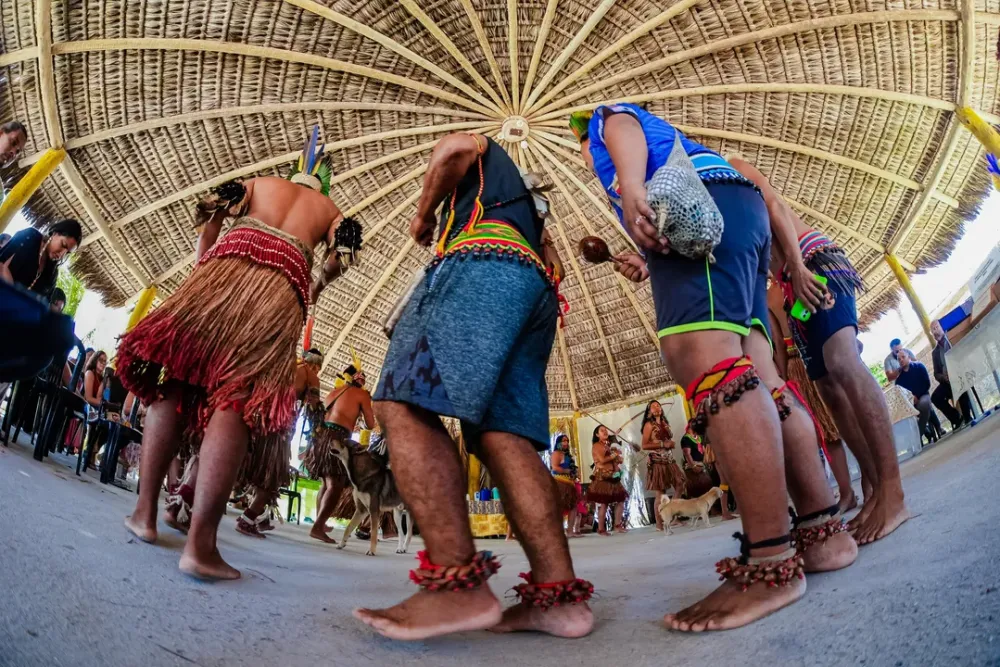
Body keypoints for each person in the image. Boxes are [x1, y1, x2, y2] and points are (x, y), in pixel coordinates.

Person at [573, 104, 856, 632]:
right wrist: (643, 253)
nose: (586, 152)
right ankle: (823, 535)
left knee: (703, 361)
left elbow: (619, 124)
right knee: (761, 372)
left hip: (709, 201)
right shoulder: (685, 159)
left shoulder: (607, 129)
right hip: (738, 218)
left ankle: (770, 562)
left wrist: (631, 182)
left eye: (583, 145)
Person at [358, 131, 592, 641]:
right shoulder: (532, 218)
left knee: (401, 402)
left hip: (483, 266)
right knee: (499, 436)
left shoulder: (488, 160)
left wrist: (424, 215)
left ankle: (455, 583)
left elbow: (453, 150)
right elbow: (555, 267)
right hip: (533, 292)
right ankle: (560, 599)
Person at [119, 128, 363, 580]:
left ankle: (145, 514)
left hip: (222, 269)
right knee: (235, 403)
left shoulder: (260, 183)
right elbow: (339, 257)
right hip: (279, 289)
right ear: (324, 183)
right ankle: (200, 546)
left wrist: (202, 264)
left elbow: (211, 212)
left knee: (177, 379)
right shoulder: (331, 211)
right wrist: (316, 285)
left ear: (295, 170)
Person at [727, 156, 908, 547]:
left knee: (843, 361)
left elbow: (772, 203)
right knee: (828, 389)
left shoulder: (727, 166)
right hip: (790, 285)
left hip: (810, 259)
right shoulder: (702, 209)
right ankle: (875, 490)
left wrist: (795, 262)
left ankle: (894, 492)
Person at [766, 282, 857, 514]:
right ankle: (851, 490)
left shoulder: (768, 297)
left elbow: (777, 342)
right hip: (823, 349)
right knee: (833, 426)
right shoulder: (799, 280)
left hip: (799, 361)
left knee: (824, 431)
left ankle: (846, 494)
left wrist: (784, 379)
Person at [235, 348, 325, 538]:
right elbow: (314, 409)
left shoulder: (287, 366)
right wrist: (317, 433)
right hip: (280, 429)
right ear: (316, 365)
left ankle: (260, 517)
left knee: (262, 471)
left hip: (260, 420)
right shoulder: (310, 375)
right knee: (273, 476)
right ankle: (248, 518)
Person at [304, 358, 376, 544]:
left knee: (326, 483)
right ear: (360, 381)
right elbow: (370, 423)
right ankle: (318, 526)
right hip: (337, 438)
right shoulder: (361, 394)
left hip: (320, 437)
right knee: (335, 484)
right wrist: (363, 408)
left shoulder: (335, 391)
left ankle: (320, 523)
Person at [0, 219, 82, 299]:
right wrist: (17, 301)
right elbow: (2, 266)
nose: (61, 254)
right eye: (63, 244)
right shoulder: (30, 236)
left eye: (67, 253)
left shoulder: (52, 274)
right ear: (55, 233)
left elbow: (43, 303)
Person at [641, 400, 686, 530]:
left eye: (658, 405)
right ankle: (659, 524)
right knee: (660, 493)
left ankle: (672, 516)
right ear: (649, 411)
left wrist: (670, 443)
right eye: (653, 406)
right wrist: (663, 444)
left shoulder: (665, 423)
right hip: (657, 461)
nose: (657, 407)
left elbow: (667, 440)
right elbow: (644, 445)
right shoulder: (648, 425)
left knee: (680, 483)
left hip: (669, 459)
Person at [930, 320, 974, 429]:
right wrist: (943, 378)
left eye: (937, 327)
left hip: (960, 375)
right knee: (935, 397)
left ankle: (968, 417)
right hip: (947, 381)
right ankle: (957, 418)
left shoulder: (951, 339)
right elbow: (936, 373)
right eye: (933, 329)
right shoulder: (935, 352)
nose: (935, 331)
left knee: (960, 383)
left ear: (942, 327)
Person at [585, 425, 628, 535]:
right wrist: (614, 455)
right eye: (602, 431)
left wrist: (618, 458)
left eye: (605, 430)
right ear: (597, 435)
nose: (605, 432)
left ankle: (617, 525)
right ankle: (601, 529)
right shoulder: (596, 445)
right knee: (604, 503)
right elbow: (603, 460)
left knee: (621, 500)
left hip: (613, 476)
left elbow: (614, 460)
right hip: (603, 477)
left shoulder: (608, 445)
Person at [895, 350, 944, 443]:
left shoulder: (919, 366)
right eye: (899, 359)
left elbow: (927, 384)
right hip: (910, 404)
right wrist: (911, 398)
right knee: (907, 415)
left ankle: (918, 436)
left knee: (924, 405)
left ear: (909, 357)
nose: (901, 360)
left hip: (923, 396)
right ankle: (935, 427)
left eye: (903, 357)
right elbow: (901, 395)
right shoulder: (899, 380)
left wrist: (916, 395)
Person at [550, 433, 583, 538]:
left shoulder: (568, 455)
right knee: (559, 507)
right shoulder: (556, 454)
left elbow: (572, 469)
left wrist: (574, 472)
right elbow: (554, 468)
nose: (566, 443)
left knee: (573, 507)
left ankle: (570, 531)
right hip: (559, 482)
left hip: (570, 484)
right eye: (564, 441)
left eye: (567, 441)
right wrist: (566, 470)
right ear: (558, 443)